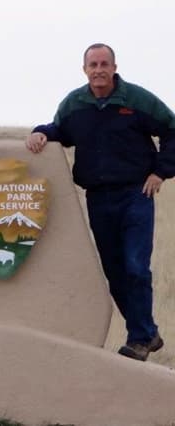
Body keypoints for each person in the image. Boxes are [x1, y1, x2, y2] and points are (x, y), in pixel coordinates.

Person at [26, 43, 175, 361]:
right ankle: (147, 332)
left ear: (114, 66)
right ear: (84, 69)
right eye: (93, 64)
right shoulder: (75, 103)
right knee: (115, 271)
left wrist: (161, 172)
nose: (99, 70)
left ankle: (138, 339)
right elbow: (60, 130)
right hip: (97, 197)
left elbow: (172, 130)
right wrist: (40, 133)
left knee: (136, 267)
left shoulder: (137, 99)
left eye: (104, 63)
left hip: (136, 194)